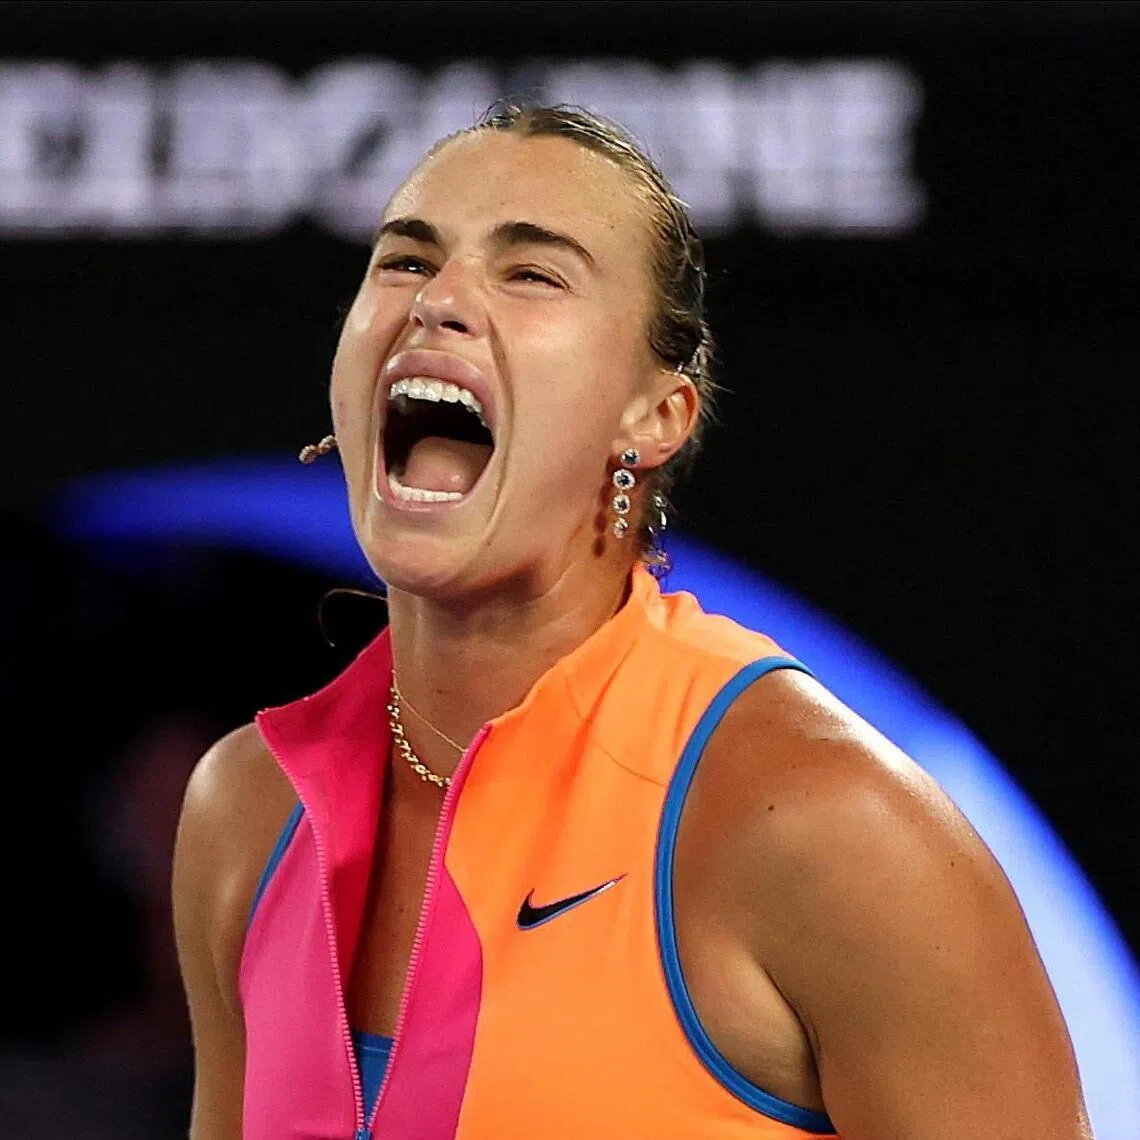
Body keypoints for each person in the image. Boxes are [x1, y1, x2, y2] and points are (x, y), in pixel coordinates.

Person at [173, 104, 1091, 1140]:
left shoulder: (824, 824)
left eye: (533, 274)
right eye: (406, 261)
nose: (439, 301)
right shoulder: (245, 813)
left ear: (654, 419)